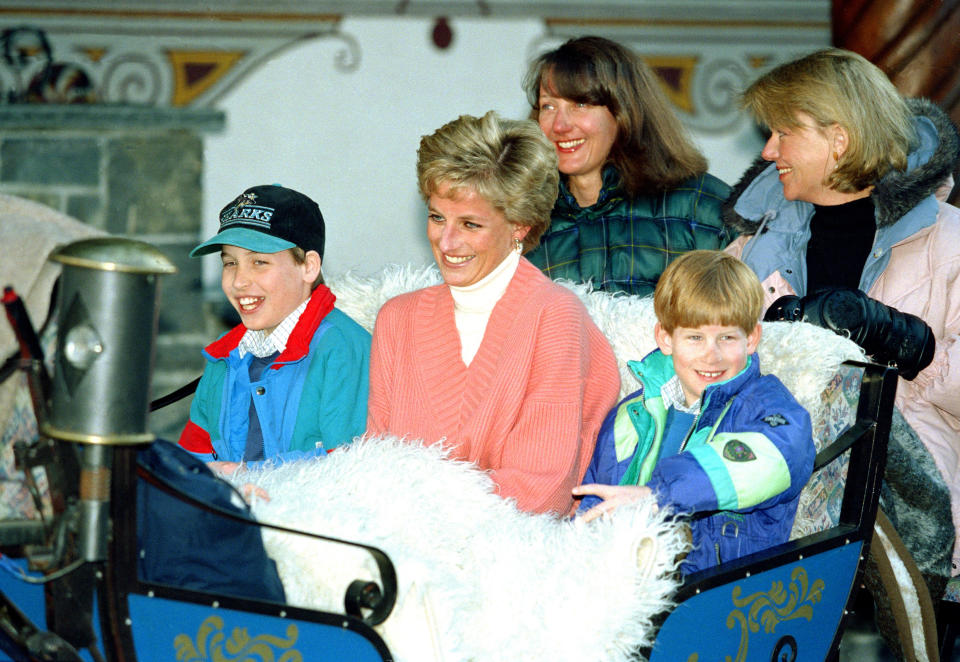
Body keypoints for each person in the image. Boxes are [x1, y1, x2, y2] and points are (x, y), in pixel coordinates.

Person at [723, 48, 960, 578]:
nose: (767, 151)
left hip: (917, 544)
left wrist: (910, 351)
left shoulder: (951, 240)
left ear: (839, 139)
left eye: (784, 132)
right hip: (774, 532)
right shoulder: (749, 248)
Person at [366, 111, 621, 515]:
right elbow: (374, 467)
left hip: (510, 558)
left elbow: (542, 492)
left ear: (519, 225)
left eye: (469, 224)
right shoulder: (396, 319)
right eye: (436, 217)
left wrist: (419, 506)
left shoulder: (555, 317)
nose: (446, 241)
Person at [574, 250, 814, 573]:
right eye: (695, 337)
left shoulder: (770, 408)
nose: (710, 356)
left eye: (727, 337)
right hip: (621, 582)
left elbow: (778, 457)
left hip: (722, 598)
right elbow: (595, 499)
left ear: (752, 338)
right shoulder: (632, 413)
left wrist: (657, 495)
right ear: (666, 338)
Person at [178, 184, 370, 474]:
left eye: (259, 262)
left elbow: (351, 468)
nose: (239, 281)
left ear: (309, 266)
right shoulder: (222, 356)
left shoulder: (342, 349)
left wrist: (248, 477)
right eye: (230, 263)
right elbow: (190, 458)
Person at [521, 35, 731, 296]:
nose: (560, 126)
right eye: (548, 105)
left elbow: (758, 324)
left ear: (625, 112)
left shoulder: (704, 207)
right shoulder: (522, 221)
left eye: (581, 104)